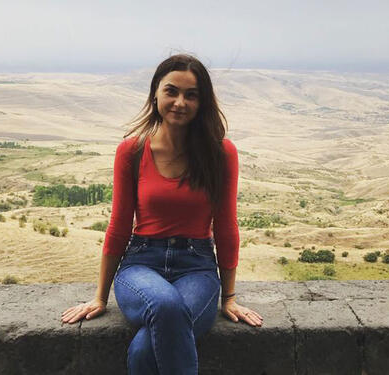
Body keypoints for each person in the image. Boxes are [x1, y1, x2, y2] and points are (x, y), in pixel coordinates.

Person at [61, 53, 263, 374]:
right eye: (172, 91)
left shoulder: (221, 153)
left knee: (145, 347)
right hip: (142, 263)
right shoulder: (132, 150)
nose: (180, 102)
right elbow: (118, 226)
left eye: (191, 95)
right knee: (166, 305)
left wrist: (229, 297)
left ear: (202, 102)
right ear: (155, 93)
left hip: (196, 267)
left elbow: (226, 227)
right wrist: (99, 297)